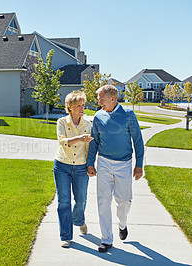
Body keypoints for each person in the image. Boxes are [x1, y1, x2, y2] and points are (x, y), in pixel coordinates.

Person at [87, 85, 144, 253]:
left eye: (101, 99)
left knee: (124, 200)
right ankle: (106, 239)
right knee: (103, 201)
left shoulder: (128, 115)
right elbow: (94, 141)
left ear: (113, 99)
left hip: (124, 164)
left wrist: (139, 165)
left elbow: (138, 141)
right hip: (104, 162)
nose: (99, 102)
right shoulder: (98, 116)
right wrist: (91, 163)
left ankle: (122, 223)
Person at [53, 90, 94, 248]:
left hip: (81, 167)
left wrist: (91, 166)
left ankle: (79, 220)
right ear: (69, 107)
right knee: (64, 202)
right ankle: (66, 236)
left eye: (83, 105)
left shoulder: (88, 124)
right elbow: (63, 142)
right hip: (62, 166)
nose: (82, 108)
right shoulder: (62, 122)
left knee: (81, 200)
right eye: (78, 105)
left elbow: (90, 147)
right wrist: (79, 138)